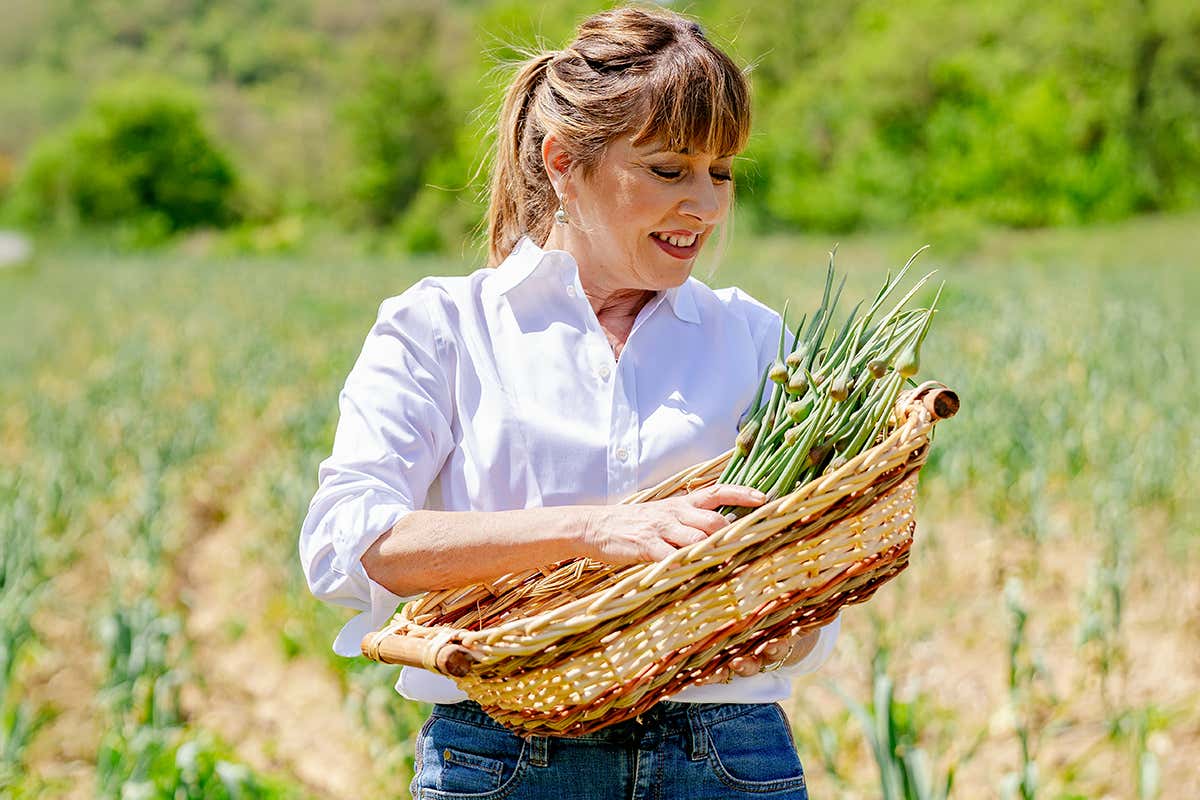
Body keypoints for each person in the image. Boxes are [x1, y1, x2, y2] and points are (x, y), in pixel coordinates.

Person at [299, 6, 840, 798]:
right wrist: (591, 531)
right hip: (508, 758)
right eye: (669, 169)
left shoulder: (756, 339)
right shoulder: (443, 326)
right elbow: (348, 543)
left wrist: (785, 632)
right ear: (563, 163)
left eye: (720, 172)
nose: (706, 205)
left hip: (727, 757)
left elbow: (810, 576)